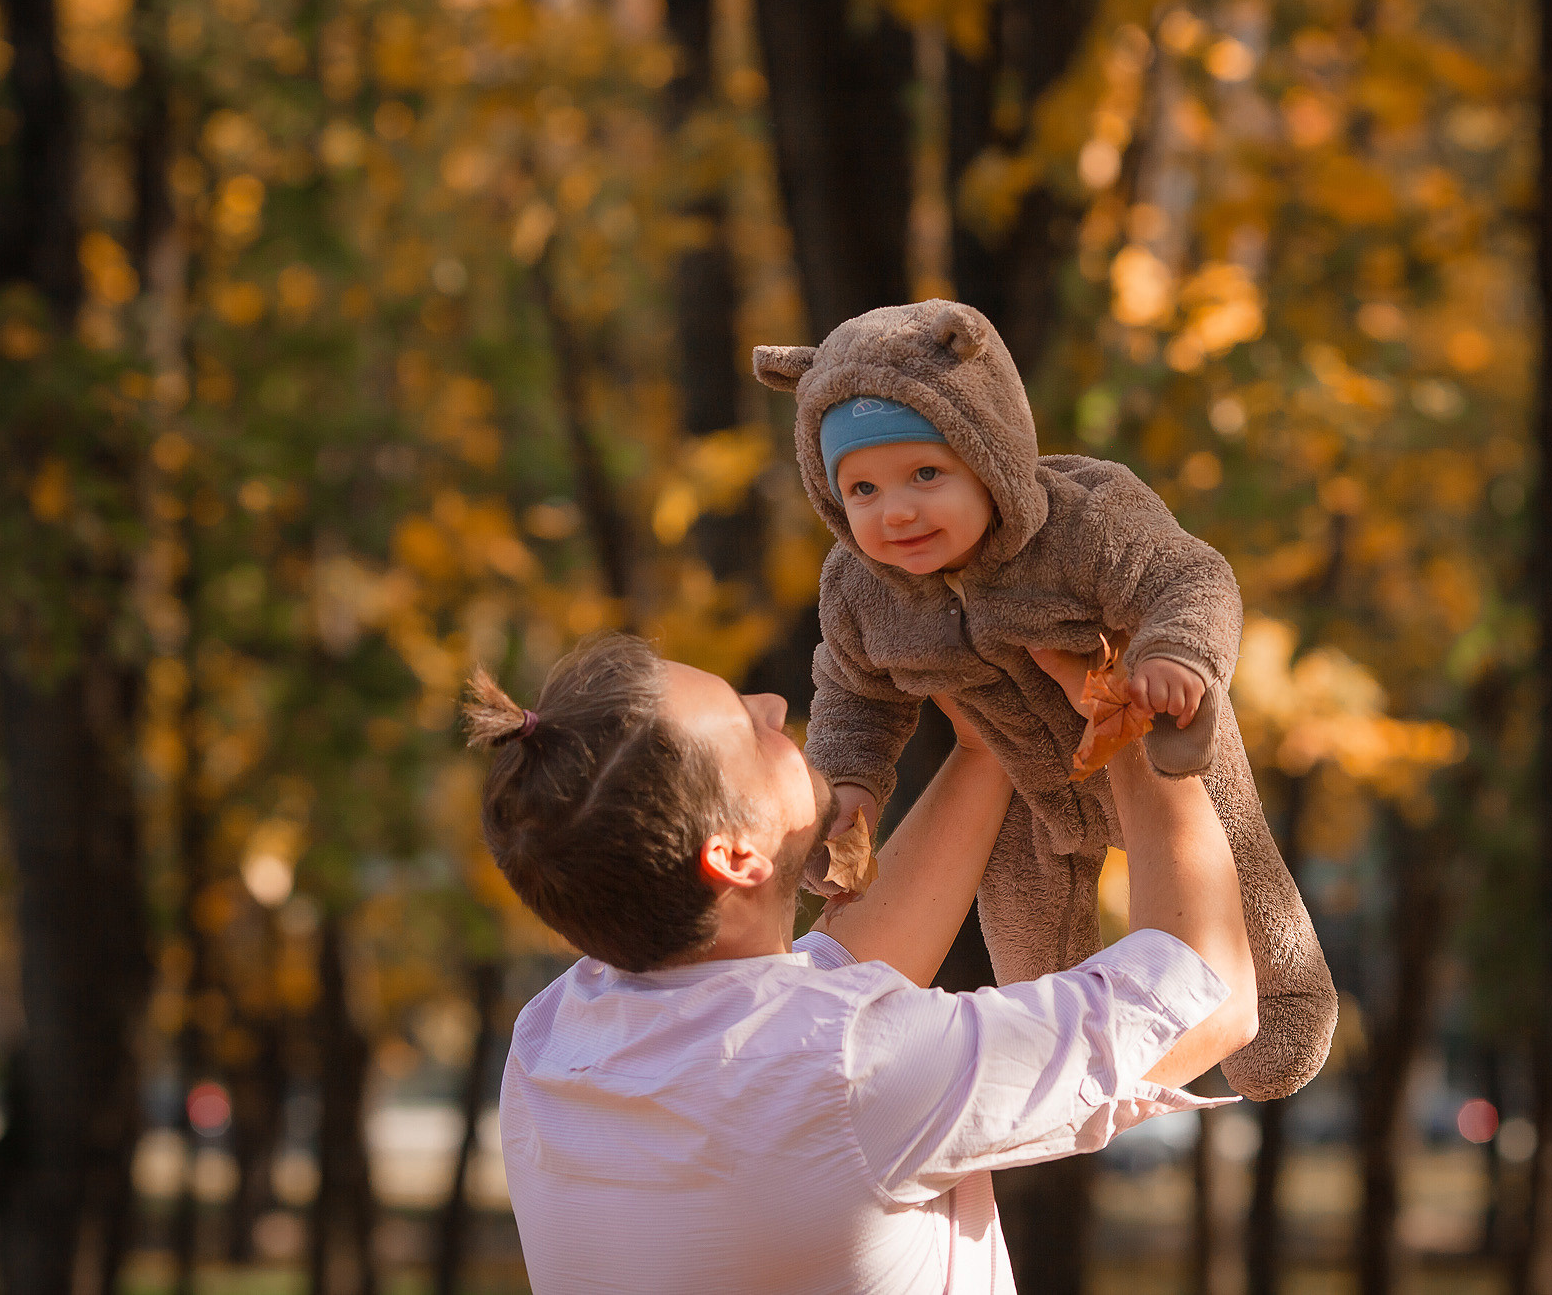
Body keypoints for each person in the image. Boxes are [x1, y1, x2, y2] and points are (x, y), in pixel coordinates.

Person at [465, 633, 1257, 1293]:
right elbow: (1206, 988)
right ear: (735, 854)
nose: (773, 706)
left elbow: (827, 1000)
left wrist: (985, 747)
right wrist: (1128, 717)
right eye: (748, 727)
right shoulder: (849, 1071)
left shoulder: (552, 1043)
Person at [751, 298, 1334, 1102]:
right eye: (862, 489)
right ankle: (1060, 1094)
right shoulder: (860, 591)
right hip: (1024, 785)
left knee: (1229, 853)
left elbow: (1191, 577)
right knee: (1031, 958)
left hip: (1147, 725)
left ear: (988, 454)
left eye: (926, 473)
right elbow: (855, 694)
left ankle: (1286, 998)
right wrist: (847, 787)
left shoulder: (1087, 519)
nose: (898, 511)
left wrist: (1175, 655)